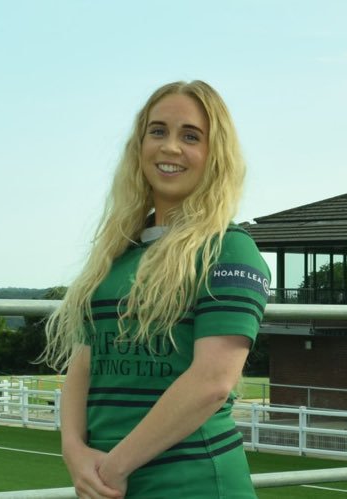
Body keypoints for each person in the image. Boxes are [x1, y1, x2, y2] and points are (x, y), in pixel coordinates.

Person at [39, 80, 268, 499]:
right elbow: (85, 363)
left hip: (192, 483)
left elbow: (212, 381)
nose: (170, 147)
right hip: (107, 483)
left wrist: (115, 466)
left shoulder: (230, 249)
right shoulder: (116, 252)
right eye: (158, 131)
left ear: (215, 155)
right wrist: (74, 451)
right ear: (139, 144)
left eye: (191, 136)